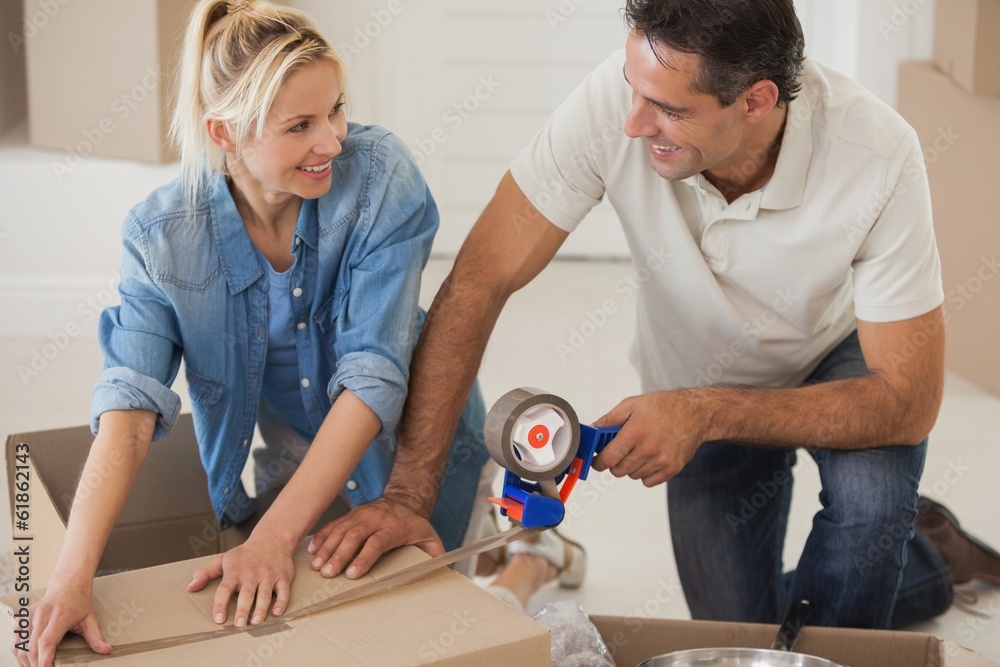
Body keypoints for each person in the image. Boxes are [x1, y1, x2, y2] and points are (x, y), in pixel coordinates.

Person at [310, 0, 1000, 630]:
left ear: (757, 101)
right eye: (634, 90)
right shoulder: (618, 100)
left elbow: (906, 400)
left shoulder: (878, 154)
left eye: (668, 108)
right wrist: (407, 491)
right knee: (740, 633)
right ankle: (928, 560)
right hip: (696, 367)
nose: (633, 122)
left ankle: (882, 556)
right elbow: (478, 279)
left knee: (872, 510)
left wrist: (703, 413)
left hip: (836, 358)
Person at [13, 1, 547, 664]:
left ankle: (529, 559)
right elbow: (129, 404)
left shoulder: (380, 179)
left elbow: (373, 377)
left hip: (411, 444)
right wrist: (70, 576)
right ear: (224, 133)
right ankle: (512, 547)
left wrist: (272, 537)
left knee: (448, 631)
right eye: (300, 125)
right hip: (300, 458)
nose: (332, 139)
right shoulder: (162, 238)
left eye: (336, 110)